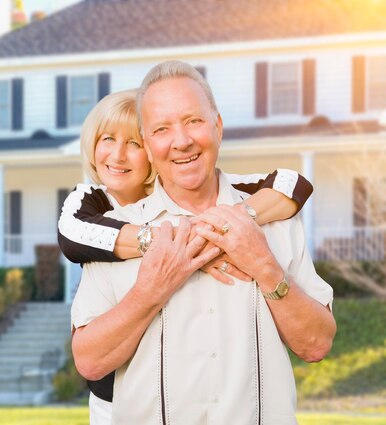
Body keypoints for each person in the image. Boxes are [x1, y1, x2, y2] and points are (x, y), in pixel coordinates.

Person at [70, 61, 336, 425]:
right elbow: (89, 360)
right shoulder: (118, 235)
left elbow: (317, 344)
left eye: (193, 121)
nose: (181, 141)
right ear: (148, 146)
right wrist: (151, 289)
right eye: (162, 129)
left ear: (218, 127)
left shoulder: (274, 217)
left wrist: (264, 266)